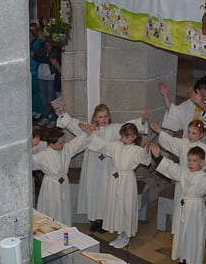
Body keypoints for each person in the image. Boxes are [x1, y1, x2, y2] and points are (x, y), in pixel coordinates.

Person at [54, 97, 149, 232]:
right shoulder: (90, 128)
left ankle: (106, 220)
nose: (103, 119)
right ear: (95, 117)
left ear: (109, 116)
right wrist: (63, 113)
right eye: (100, 117)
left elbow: (129, 127)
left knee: (106, 192)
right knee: (94, 191)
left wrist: (142, 120)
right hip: (92, 166)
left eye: (105, 116)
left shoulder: (115, 128)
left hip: (108, 167)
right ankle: (96, 219)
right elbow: (72, 123)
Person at [150, 142, 206, 264]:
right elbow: (171, 168)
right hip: (183, 207)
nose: (190, 163)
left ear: (202, 163)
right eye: (189, 160)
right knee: (182, 234)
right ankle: (184, 260)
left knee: (194, 237)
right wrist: (158, 157)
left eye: (194, 161)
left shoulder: (204, 178)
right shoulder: (184, 172)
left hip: (195, 210)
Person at [89, 122, 152, 249]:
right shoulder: (117, 145)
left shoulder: (136, 150)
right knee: (116, 206)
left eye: (126, 136)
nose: (123, 139)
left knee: (126, 206)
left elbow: (145, 159)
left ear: (134, 137)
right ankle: (119, 233)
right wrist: (90, 134)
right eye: (122, 136)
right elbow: (103, 145)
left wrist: (146, 149)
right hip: (115, 179)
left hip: (127, 180)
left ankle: (127, 235)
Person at [31, 127, 90, 225]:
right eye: (60, 143)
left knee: (63, 207)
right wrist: (30, 145)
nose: (63, 145)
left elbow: (77, 143)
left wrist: (86, 133)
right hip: (51, 185)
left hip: (63, 183)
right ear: (51, 144)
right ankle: (50, 228)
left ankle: (64, 226)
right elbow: (29, 162)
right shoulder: (43, 155)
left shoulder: (66, 149)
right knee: (52, 207)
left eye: (63, 141)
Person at [158, 76, 206, 140]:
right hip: (189, 143)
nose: (202, 92)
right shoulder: (190, 103)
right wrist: (165, 95)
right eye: (200, 89)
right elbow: (174, 113)